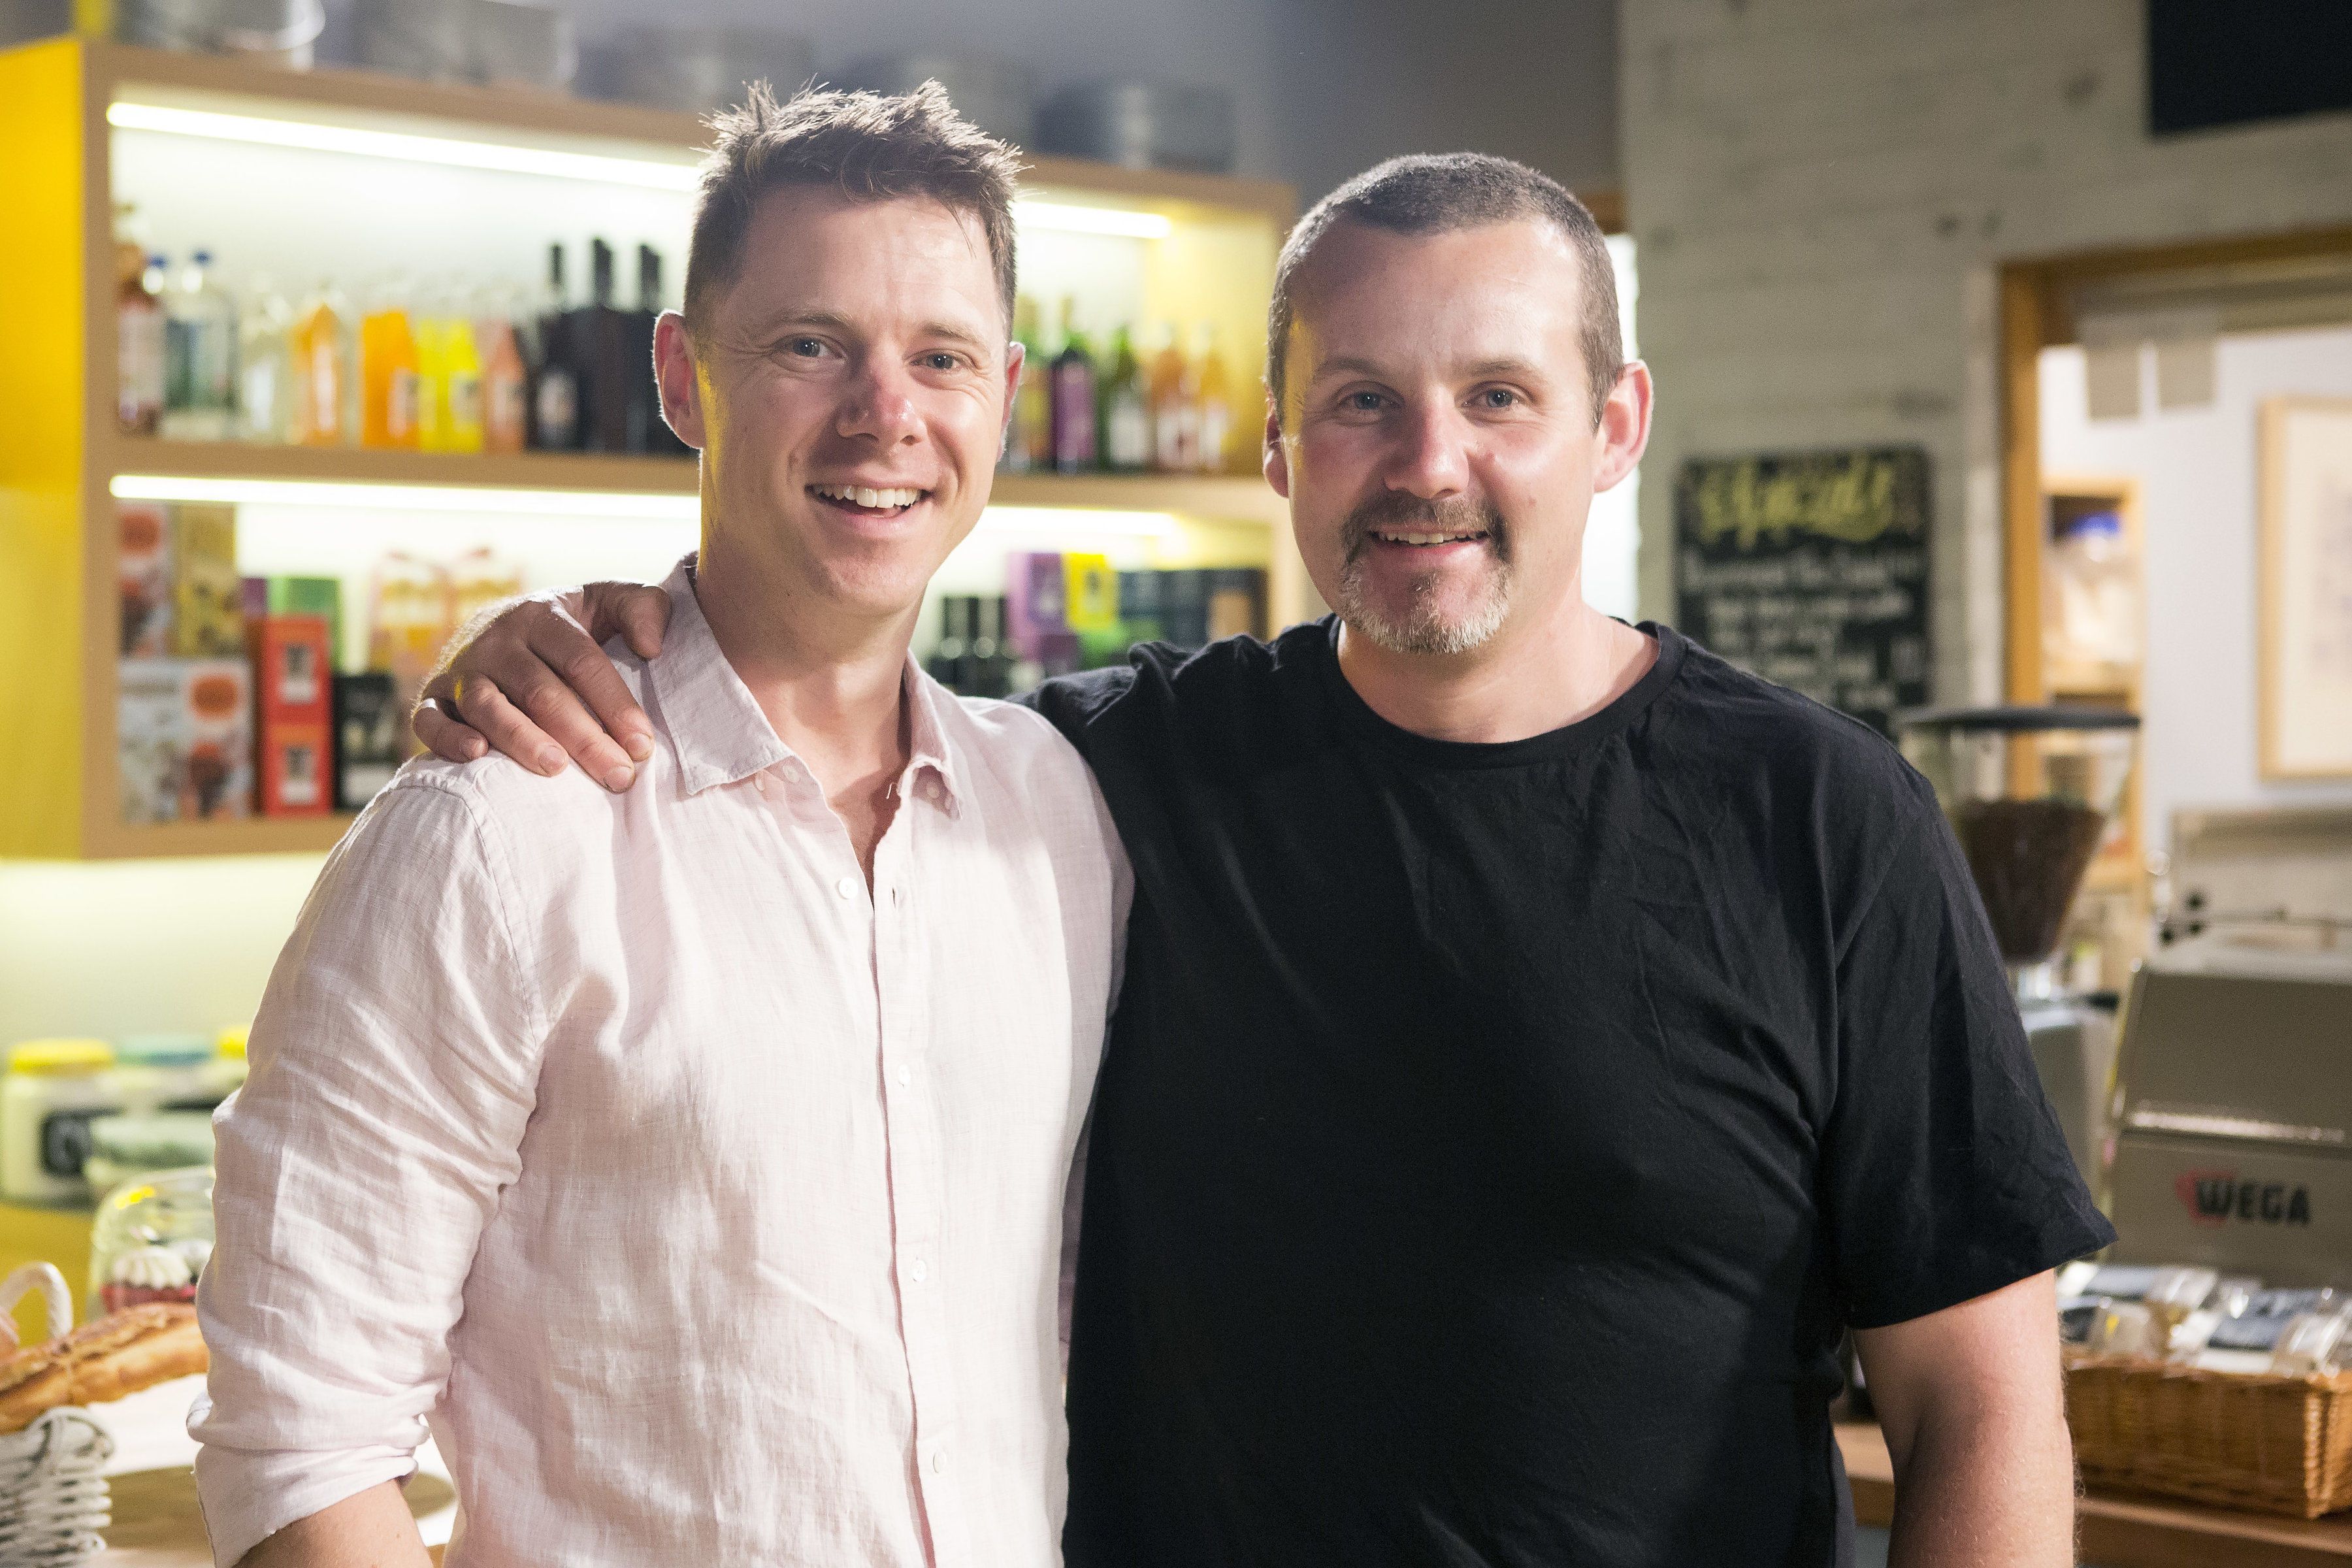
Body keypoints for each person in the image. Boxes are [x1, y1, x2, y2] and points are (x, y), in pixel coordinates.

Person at [419, 153, 2111, 1567]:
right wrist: (582, 643)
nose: (1430, 465)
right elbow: (815, 707)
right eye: (1362, 400)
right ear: (1280, 448)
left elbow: (1980, 1411)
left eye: (1499, 397)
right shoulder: (1097, 780)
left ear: (1617, 426)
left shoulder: (1824, 820)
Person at [193, 85, 1127, 1568]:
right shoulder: (496, 831)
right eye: (811, 345)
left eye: (941, 357)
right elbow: (301, 1441)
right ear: (684, 379)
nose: (885, 412)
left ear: (1006, 395)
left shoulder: (1061, 815)